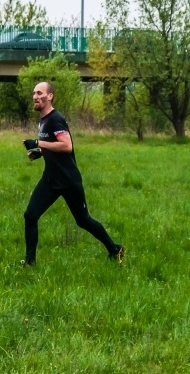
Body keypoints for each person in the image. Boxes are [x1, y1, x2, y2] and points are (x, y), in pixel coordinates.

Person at [21, 81, 125, 266]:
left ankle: (115, 250)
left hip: (68, 180)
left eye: (39, 93)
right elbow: (53, 144)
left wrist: (38, 143)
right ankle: (30, 263)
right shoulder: (43, 120)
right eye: (34, 93)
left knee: (83, 220)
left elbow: (66, 146)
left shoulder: (56, 118)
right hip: (50, 179)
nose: (35, 96)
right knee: (30, 215)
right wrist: (39, 153)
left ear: (50, 96)